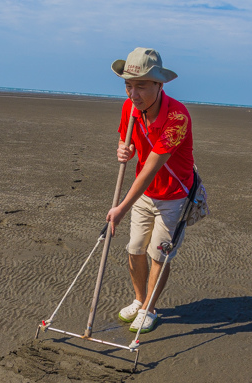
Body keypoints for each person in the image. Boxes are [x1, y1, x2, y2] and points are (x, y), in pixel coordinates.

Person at [106, 47, 195, 334]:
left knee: (159, 253)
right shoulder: (128, 107)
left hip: (174, 195)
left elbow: (150, 169)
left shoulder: (178, 118)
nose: (133, 93)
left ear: (160, 84)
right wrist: (125, 149)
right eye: (128, 85)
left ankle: (150, 309)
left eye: (141, 86)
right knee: (134, 249)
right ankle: (139, 299)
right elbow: (128, 140)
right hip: (145, 194)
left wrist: (121, 208)